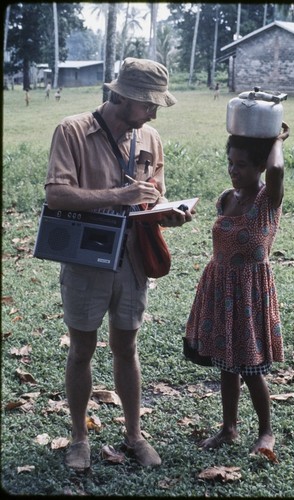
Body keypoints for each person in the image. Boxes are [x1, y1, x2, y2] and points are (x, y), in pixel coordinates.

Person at [45, 57, 194, 470]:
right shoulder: (72, 131)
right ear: (123, 97)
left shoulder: (150, 138)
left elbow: (152, 197)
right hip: (86, 259)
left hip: (133, 259)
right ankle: (79, 439)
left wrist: (168, 213)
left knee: (127, 347)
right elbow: (56, 195)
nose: (153, 112)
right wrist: (117, 196)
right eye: (149, 104)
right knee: (82, 348)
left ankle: (134, 436)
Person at [183, 122, 290, 455]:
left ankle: (266, 433)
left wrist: (276, 139)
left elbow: (277, 167)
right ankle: (228, 429)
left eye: (241, 165)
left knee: (252, 368)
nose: (233, 170)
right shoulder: (226, 198)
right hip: (220, 289)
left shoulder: (268, 199)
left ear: (258, 166)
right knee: (226, 364)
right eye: (230, 162)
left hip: (250, 294)